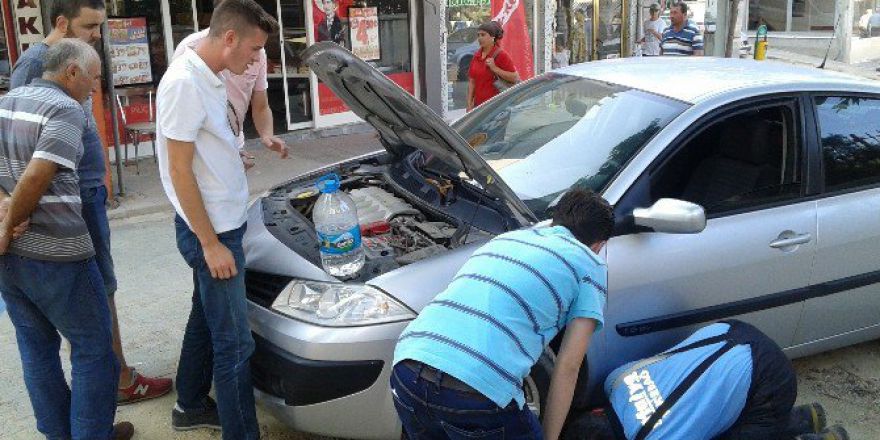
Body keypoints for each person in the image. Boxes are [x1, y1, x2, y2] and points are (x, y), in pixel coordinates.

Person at [7, 0, 173, 406]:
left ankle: (108, 384)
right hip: (68, 202)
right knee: (94, 299)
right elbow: (19, 146)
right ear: (61, 24)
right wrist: (13, 212)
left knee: (99, 291)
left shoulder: (68, 62)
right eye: (90, 26)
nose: (97, 34)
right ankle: (113, 383)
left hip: (84, 194)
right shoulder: (34, 66)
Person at [391, 188, 614, 440]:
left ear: (554, 221)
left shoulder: (507, 240)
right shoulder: (590, 264)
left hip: (407, 368)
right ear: (599, 245)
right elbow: (569, 366)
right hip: (475, 390)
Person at [155, 0, 279, 437]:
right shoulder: (185, 83)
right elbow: (178, 169)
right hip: (213, 232)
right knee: (235, 346)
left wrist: (230, 157)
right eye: (253, 50)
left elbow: (205, 147)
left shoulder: (209, 75)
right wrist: (210, 243)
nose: (255, 61)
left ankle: (189, 406)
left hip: (221, 223)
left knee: (204, 319)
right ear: (229, 38)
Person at [0, 39, 133, 440]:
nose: (95, 90)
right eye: (93, 80)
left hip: (11, 261)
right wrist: (8, 224)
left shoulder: (9, 99)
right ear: (72, 72)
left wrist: (5, 210)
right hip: (58, 253)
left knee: (36, 348)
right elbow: (40, 174)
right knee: (96, 352)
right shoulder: (64, 108)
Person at [560, 320, 850, 440]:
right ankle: (805, 417)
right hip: (729, 330)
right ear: (596, 413)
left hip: (771, 382)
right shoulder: (616, 381)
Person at [172, 0, 289, 171]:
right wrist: (222, 156)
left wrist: (266, 135)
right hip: (203, 153)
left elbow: (261, 105)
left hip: (233, 141)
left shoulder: (257, 53)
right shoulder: (190, 52)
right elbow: (179, 153)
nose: (256, 57)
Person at [467, 21, 518, 111]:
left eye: (483, 35)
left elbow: (514, 78)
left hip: (497, 108)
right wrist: (469, 104)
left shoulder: (501, 55)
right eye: (478, 35)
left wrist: (495, 69)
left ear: (492, 37)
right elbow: (472, 82)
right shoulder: (476, 55)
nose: (479, 38)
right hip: (478, 107)